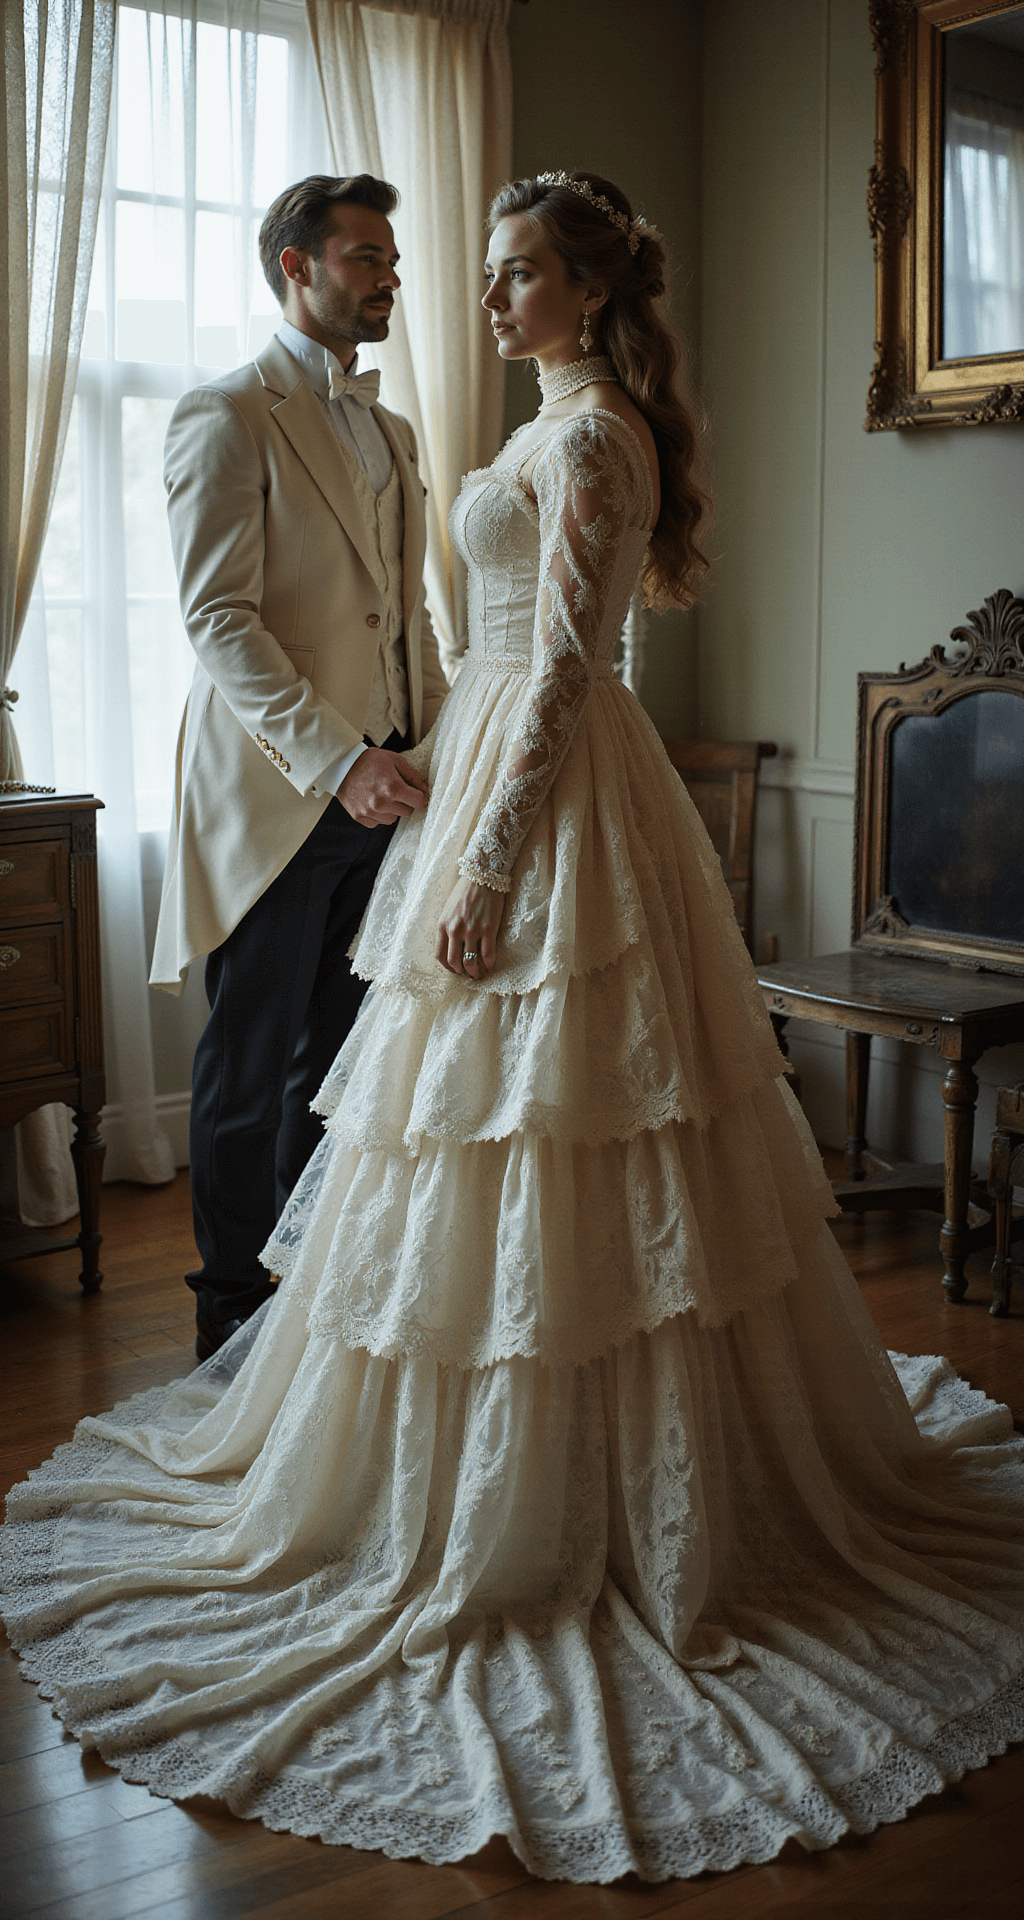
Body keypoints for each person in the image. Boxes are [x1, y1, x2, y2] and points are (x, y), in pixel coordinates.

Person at [3, 172, 1024, 1887]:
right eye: (451, 271)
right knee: (422, 1127)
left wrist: (479, 860)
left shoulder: (593, 434)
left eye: (506, 274)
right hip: (432, 777)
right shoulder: (498, 416)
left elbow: (560, 664)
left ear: (577, 288)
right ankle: (405, 1458)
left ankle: (584, 1484)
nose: (471, 296)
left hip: (528, 799)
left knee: (565, 1123)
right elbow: (258, 617)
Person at [149, 173, 447, 1359]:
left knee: (337, 1062)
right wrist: (339, 765)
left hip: (394, 784)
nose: (387, 279)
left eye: (389, 261)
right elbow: (220, 620)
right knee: (247, 1061)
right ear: (296, 264)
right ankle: (230, 1314)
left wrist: (429, 745)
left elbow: (408, 611)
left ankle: (308, 1297)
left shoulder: (395, 429)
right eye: (365, 258)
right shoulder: (225, 412)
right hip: (284, 791)